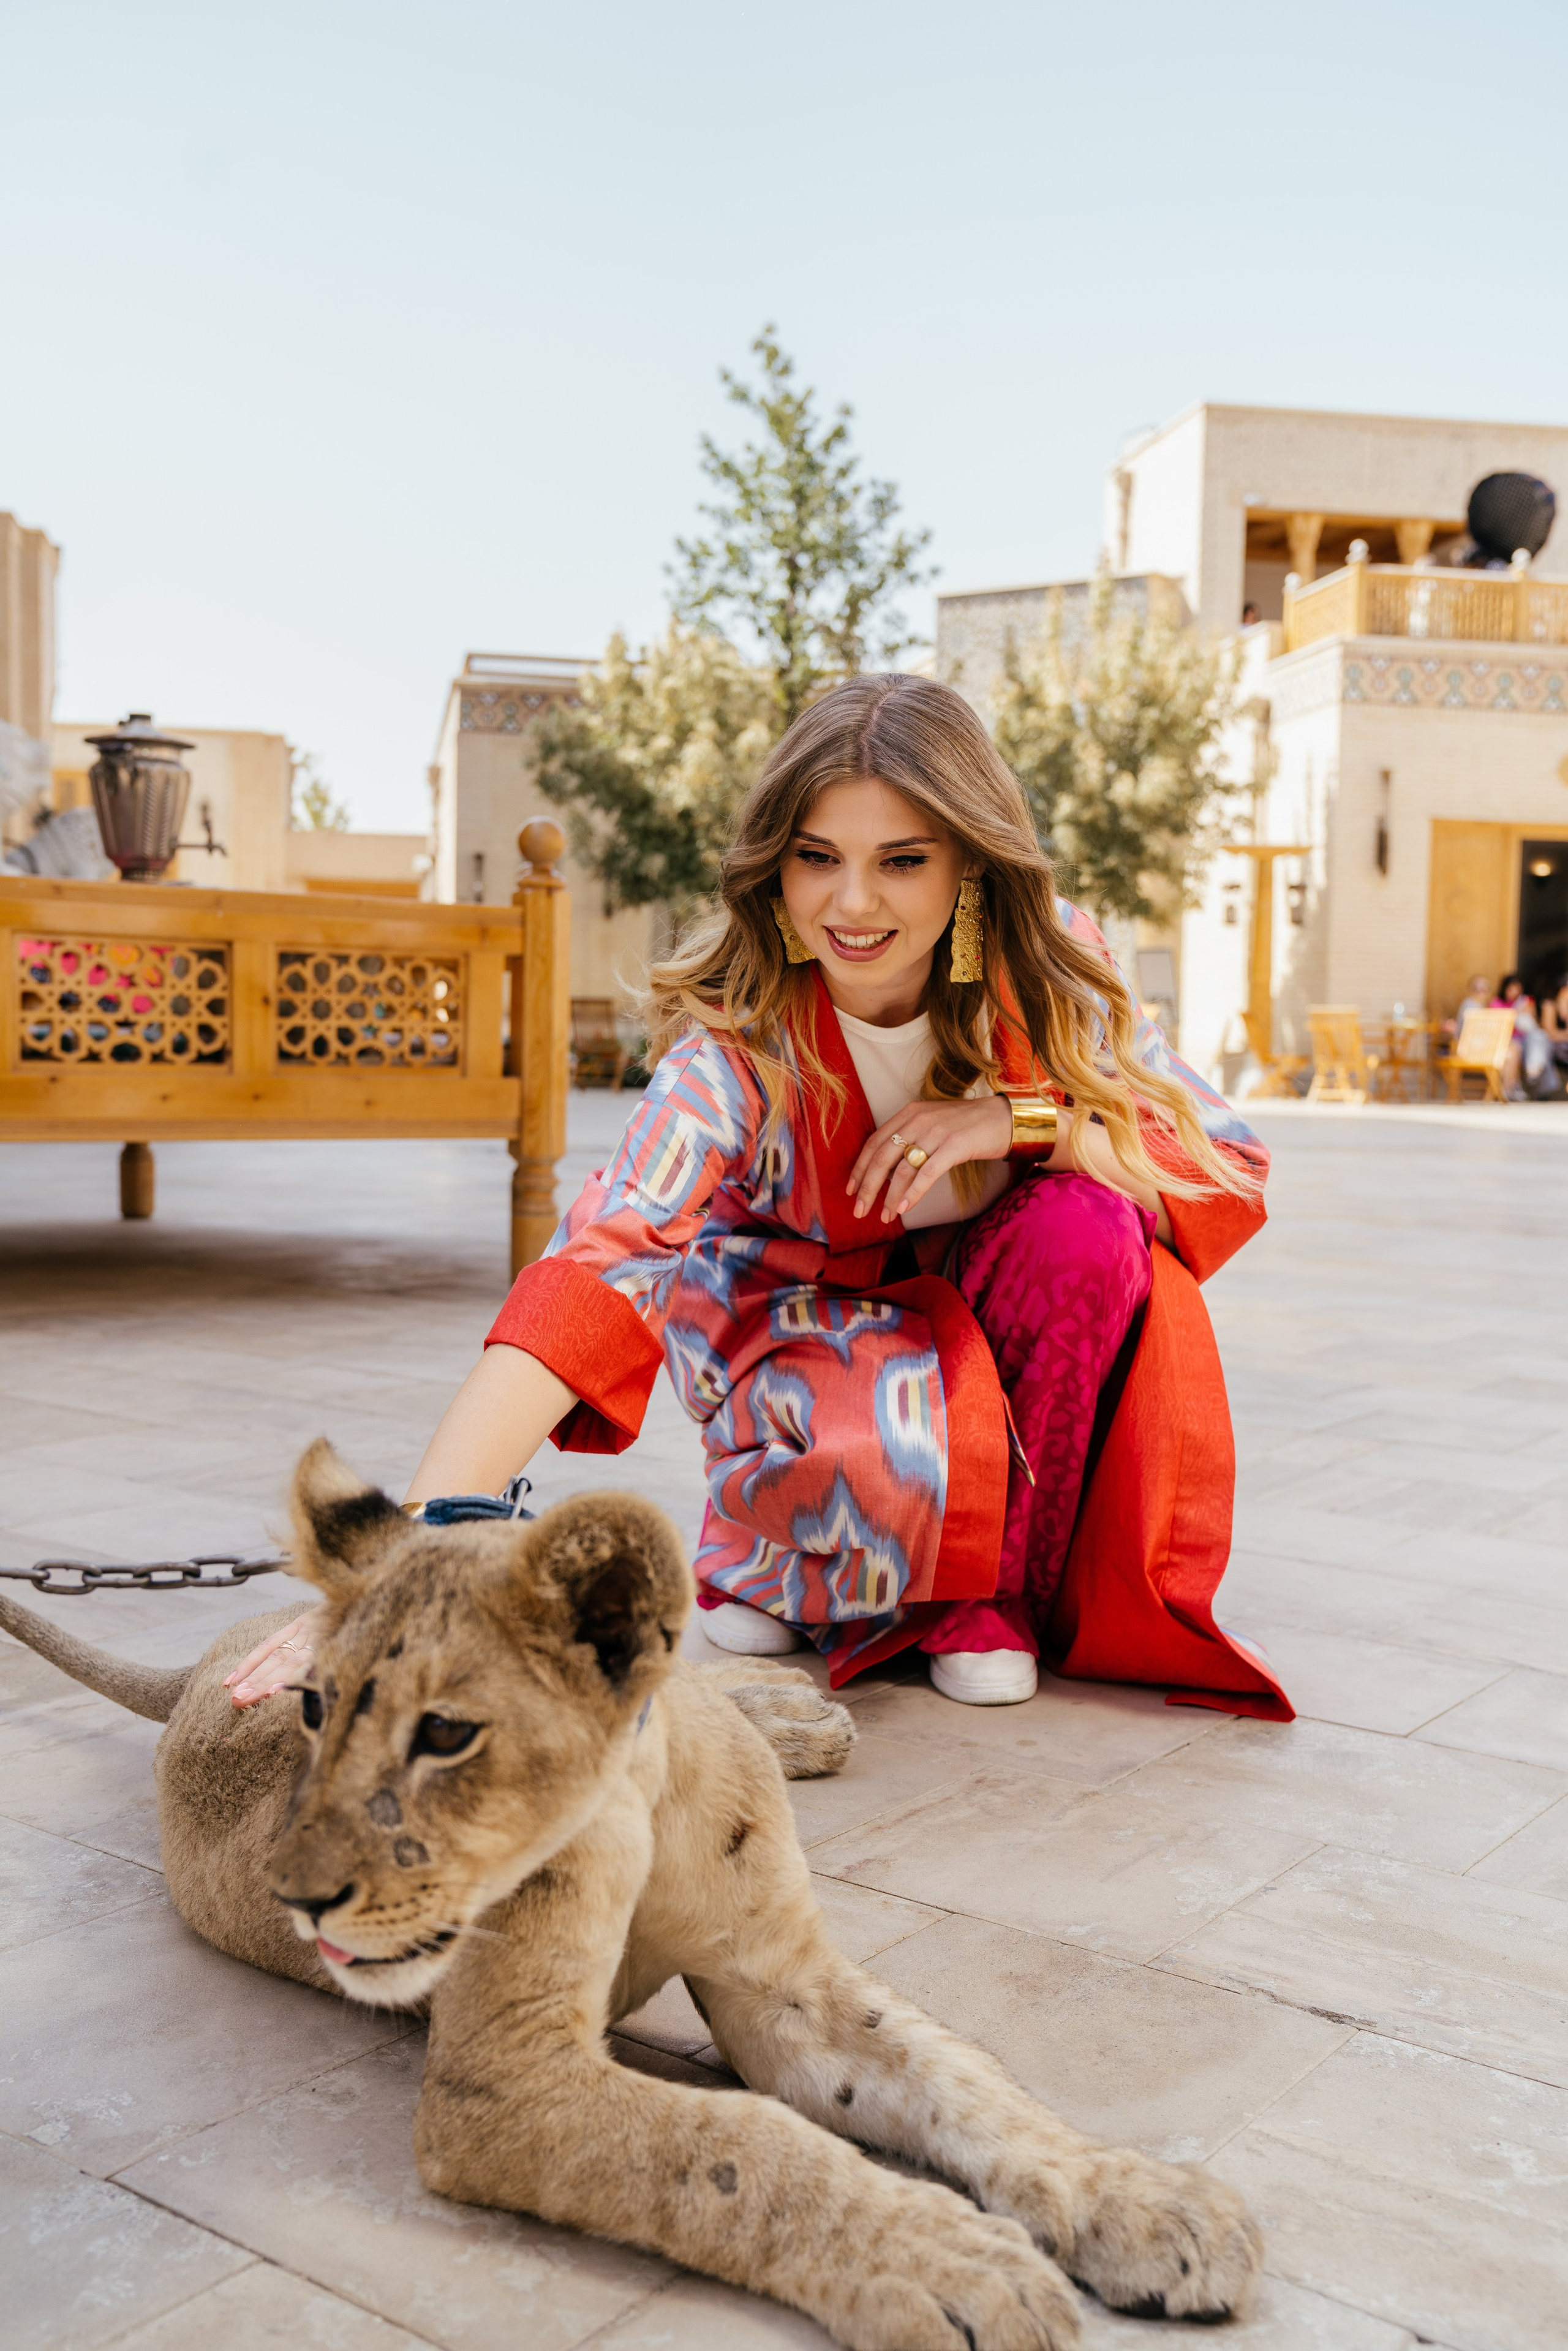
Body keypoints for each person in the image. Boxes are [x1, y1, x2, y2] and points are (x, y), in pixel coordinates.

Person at [229, 676, 1289, 1719]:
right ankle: (766, 1551)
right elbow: (596, 1270)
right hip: (798, 1323)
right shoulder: (735, 1053)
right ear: (774, 866)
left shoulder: (1049, 966)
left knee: (1091, 1228)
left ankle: (991, 1592)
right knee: (875, 1454)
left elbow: (1220, 1164)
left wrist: (1024, 1122)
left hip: (984, 1313)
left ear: (969, 861)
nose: (854, 904)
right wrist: (407, 1557)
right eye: (817, 859)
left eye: (902, 861)